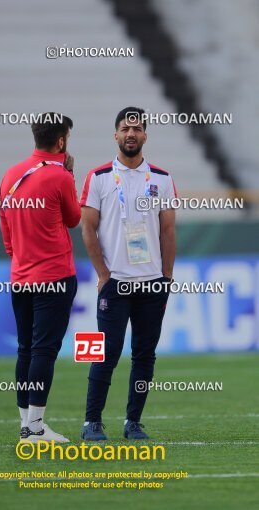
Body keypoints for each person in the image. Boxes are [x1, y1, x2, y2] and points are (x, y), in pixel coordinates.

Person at [80, 107, 176, 440]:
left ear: (145, 135)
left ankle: (133, 422)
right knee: (104, 351)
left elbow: (167, 231)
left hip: (152, 283)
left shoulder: (161, 178)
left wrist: (166, 276)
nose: (131, 134)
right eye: (125, 129)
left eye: (136, 129)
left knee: (145, 355)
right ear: (116, 135)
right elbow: (87, 229)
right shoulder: (99, 177)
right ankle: (91, 421)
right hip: (115, 283)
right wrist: (103, 274)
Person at [0, 112, 81, 443]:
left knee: (25, 350)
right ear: (61, 140)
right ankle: (34, 428)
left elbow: (6, 234)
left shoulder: (10, 174)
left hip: (20, 276)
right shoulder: (60, 176)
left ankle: (27, 424)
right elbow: (74, 218)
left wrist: (21, 259)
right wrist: (70, 175)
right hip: (55, 276)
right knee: (44, 350)